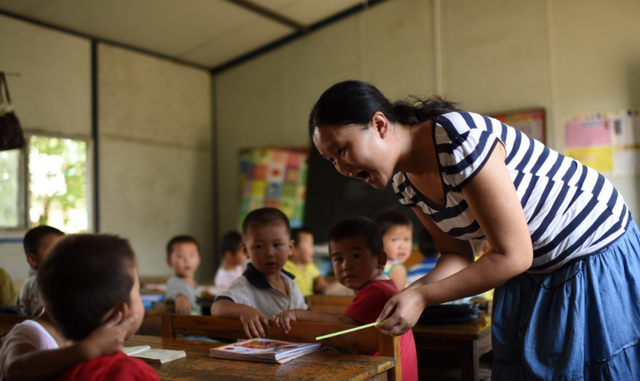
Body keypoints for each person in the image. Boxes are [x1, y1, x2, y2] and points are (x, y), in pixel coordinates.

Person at [308, 79, 640, 380]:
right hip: (534, 271)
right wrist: (408, 295)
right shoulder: (404, 182)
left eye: (341, 150)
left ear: (379, 124)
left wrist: (422, 295)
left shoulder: (455, 138)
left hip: (592, 253)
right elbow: (456, 255)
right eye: (331, 161)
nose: (342, 168)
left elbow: (514, 255)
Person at [273, 217, 418, 381]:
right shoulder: (380, 287)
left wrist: (300, 315)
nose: (345, 265)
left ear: (380, 260)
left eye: (355, 255)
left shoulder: (378, 292)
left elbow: (342, 325)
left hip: (390, 375)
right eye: (338, 259)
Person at [1, 234, 157, 381]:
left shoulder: (66, 362)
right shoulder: (133, 373)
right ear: (118, 314)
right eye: (137, 292)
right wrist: (86, 350)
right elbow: (14, 370)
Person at [210, 208, 307, 338]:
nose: (269, 254)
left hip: (289, 353)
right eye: (259, 246)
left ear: (290, 248)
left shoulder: (290, 282)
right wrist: (243, 311)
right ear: (246, 251)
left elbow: (305, 313)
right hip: (254, 354)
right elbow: (217, 306)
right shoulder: (246, 284)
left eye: (277, 245)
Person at [15, 226, 64, 317]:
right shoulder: (41, 283)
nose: (62, 255)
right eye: (54, 249)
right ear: (33, 260)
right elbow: (45, 318)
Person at [373, 210, 412, 290]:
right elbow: (398, 300)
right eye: (395, 240)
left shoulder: (372, 265)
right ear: (378, 240)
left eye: (407, 239)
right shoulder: (397, 269)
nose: (402, 246)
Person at [282, 227, 327, 297]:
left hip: (308, 305)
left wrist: (319, 279)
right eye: (310, 245)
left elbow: (317, 274)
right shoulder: (284, 267)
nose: (313, 249)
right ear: (293, 249)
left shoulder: (309, 266)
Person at [165, 235, 201, 315]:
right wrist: (180, 298)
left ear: (199, 260)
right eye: (180, 256)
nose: (187, 260)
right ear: (169, 261)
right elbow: (173, 291)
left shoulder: (194, 284)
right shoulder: (174, 282)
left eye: (192, 255)